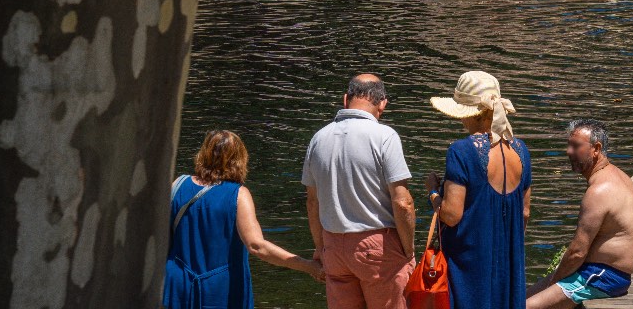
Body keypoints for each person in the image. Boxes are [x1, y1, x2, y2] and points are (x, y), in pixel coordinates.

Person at [164, 130, 323, 309]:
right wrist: (308, 266)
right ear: (240, 159)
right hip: (220, 290)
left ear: (204, 154)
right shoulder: (238, 195)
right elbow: (256, 246)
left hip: (177, 285)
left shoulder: (178, 184)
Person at [303, 75, 416, 309]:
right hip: (378, 248)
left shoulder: (318, 138)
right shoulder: (385, 136)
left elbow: (312, 202)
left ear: (346, 99)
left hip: (333, 245)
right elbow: (402, 202)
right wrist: (408, 251)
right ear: (382, 104)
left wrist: (320, 248)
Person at [425, 71, 532, 309]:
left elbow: (451, 215)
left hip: (470, 262)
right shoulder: (521, 150)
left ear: (468, 113)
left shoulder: (461, 151)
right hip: (509, 260)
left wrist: (433, 192)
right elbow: (524, 212)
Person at [526, 119, 633, 309]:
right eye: (568, 144)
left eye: (576, 146)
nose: (568, 151)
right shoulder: (617, 175)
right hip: (595, 271)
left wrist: (552, 284)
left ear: (596, 149)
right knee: (518, 299)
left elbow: (577, 252)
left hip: (603, 277)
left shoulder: (599, 191)